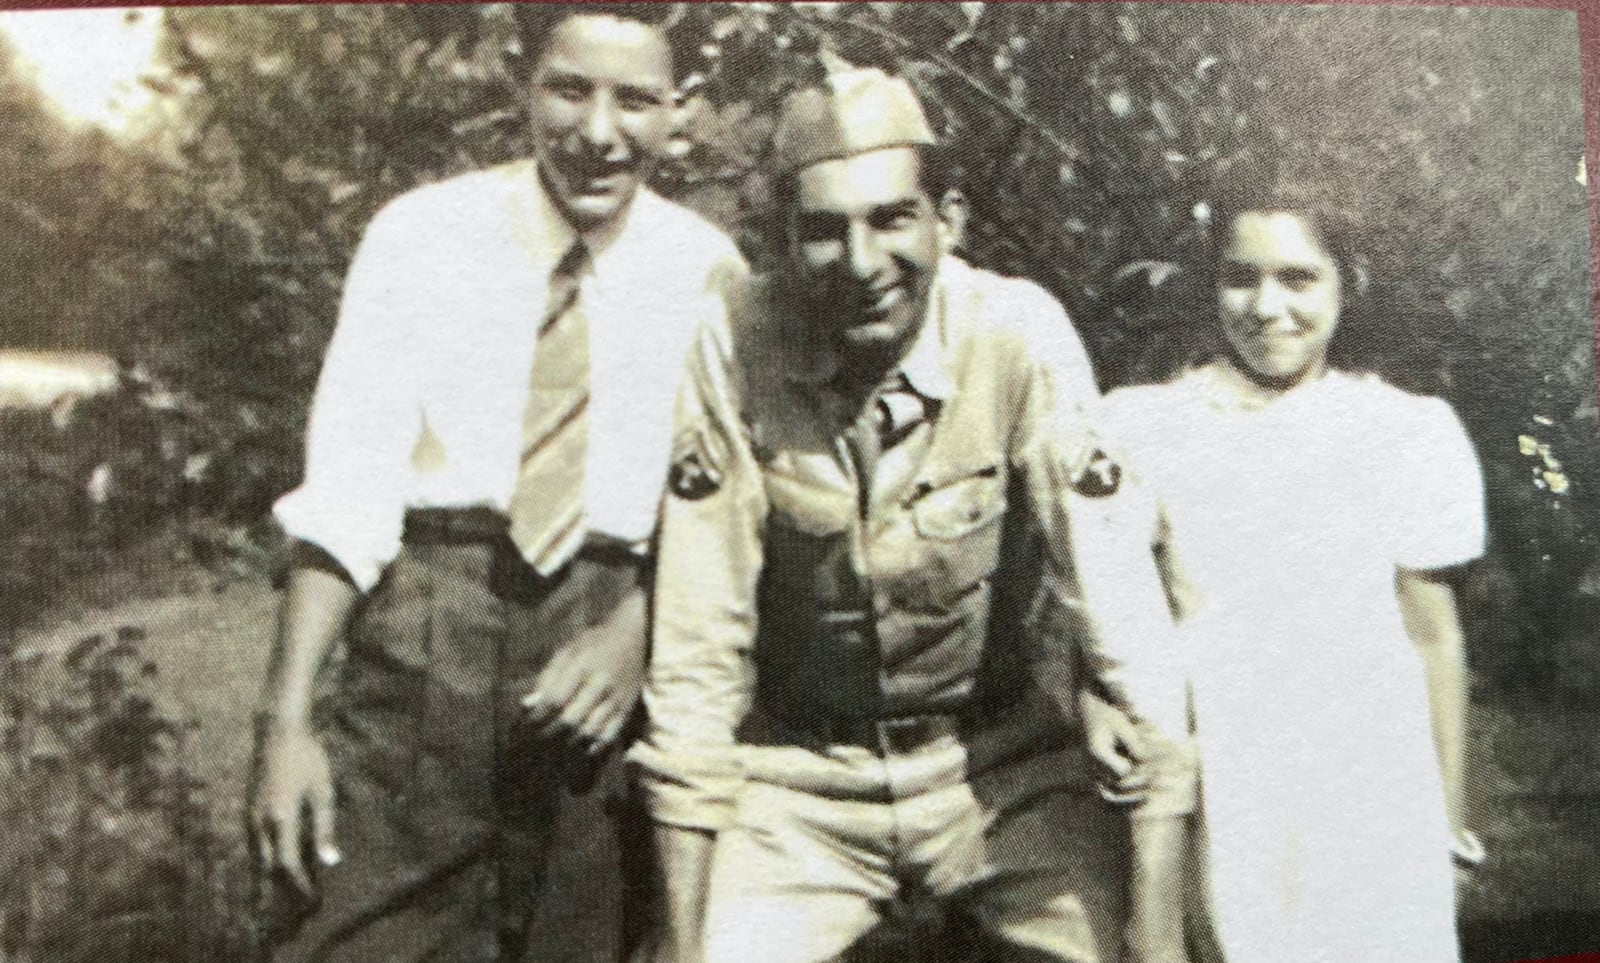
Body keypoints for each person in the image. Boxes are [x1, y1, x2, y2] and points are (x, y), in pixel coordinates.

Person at [632, 63, 1179, 963]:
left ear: (948, 219)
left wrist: (1158, 933)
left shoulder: (1015, 332)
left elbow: (1120, 606)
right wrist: (683, 939)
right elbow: (699, 640)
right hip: (799, 783)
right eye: (822, 231)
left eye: (891, 218)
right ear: (781, 239)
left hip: (998, 768)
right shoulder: (735, 340)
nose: (861, 264)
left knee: (1138, 946)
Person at [249, 6, 743, 960]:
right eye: (570, 89)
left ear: (678, 112)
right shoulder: (421, 236)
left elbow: (724, 519)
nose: (599, 133)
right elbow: (346, 497)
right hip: (424, 642)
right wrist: (285, 725)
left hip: (602, 669)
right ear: (525, 84)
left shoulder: (713, 275)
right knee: (341, 935)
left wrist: (639, 635)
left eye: (635, 100)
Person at [1105, 182, 1486, 963]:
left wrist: (1445, 827)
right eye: (1241, 277)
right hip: (1231, 781)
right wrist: (1093, 702)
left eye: (1299, 278)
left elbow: (1433, 640)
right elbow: (1108, 610)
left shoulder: (1407, 432)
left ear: (1348, 284)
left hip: (1371, 784)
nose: (1267, 305)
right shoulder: (1146, 426)